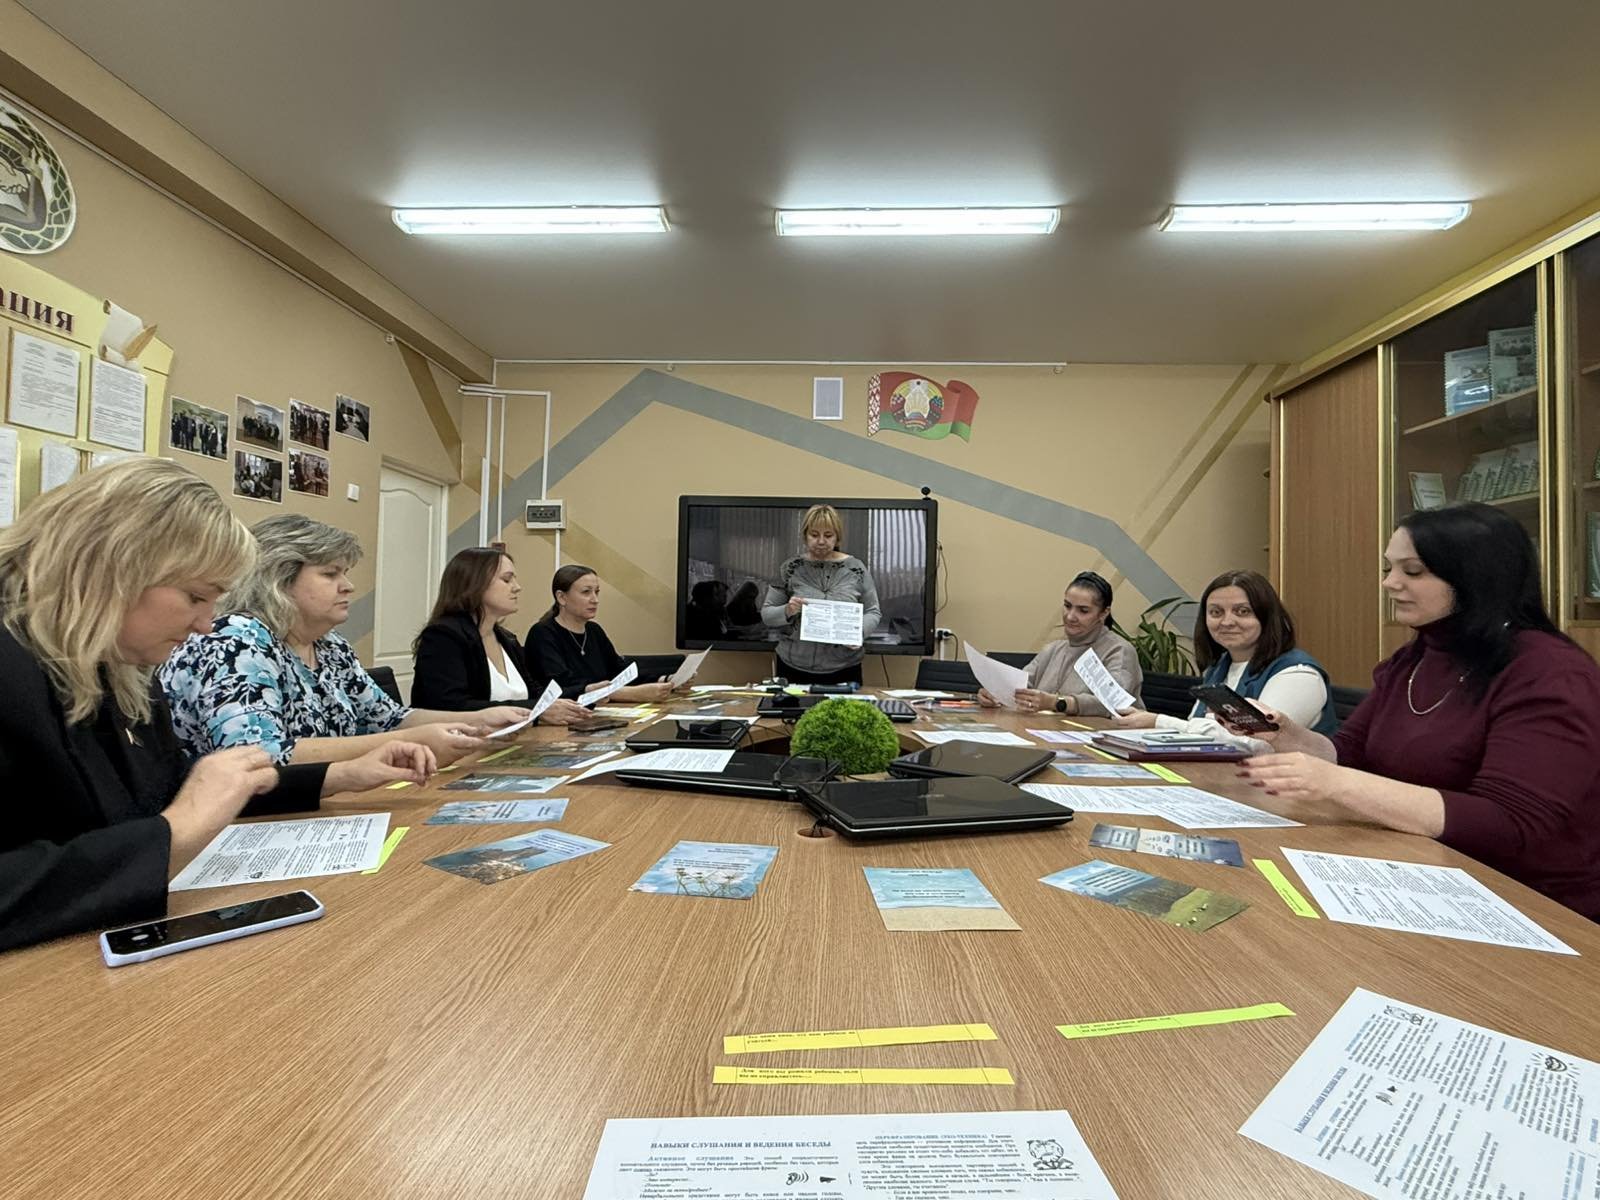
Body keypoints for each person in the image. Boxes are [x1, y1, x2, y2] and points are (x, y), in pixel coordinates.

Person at [0, 460, 434, 953]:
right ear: (114, 567)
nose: (206, 624)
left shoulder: (119, 667)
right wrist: (177, 831)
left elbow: (177, 788)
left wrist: (339, 776)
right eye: (195, 597)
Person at [1237, 504, 1600, 921]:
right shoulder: (1415, 657)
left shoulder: (1549, 672)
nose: (1389, 583)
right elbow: (1349, 754)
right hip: (1426, 871)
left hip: (1534, 905)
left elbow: (1509, 823)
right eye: (1389, 568)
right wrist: (1287, 736)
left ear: (1474, 575)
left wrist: (1334, 783)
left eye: (1412, 571)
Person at [161, 514, 529, 766]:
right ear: (279, 579)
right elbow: (260, 755)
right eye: (330, 574)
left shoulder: (331, 645)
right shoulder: (236, 640)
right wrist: (410, 742)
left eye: (345, 573)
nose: (348, 586)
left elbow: (390, 718)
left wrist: (478, 718)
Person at [1111, 569, 1335, 747]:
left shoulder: (1298, 673)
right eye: (1216, 612)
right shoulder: (1218, 667)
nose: (1227, 622)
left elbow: (1257, 744)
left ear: (1267, 616)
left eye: (1242, 611)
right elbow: (1198, 731)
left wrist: (1158, 722)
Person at [411, 547, 586, 720]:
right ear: (474, 584)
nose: (517, 587)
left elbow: (535, 694)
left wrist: (583, 694)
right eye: (507, 580)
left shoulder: (507, 639)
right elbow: (450, 706)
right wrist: (535, 711)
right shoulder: (443, 637)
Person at [979, 570, 1144, 715]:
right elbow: (1019, 687)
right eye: (1067, 606)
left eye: (1083, 610)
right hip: (1046, 733)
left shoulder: (1119, 651)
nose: (1070, 616)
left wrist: (1057, 703)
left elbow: (1113, 703)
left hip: (1101, 737)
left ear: (1103, 613)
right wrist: (995, 694)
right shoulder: (1053, 649)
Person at [760, 504, 882, 685]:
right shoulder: (790, 568)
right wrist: (788, 610)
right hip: (793, 665)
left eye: (828, 535)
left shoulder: (856, 568)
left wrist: (858, 633)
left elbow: (873, 611)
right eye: (814, 535)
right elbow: (767, 615)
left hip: (844, 667)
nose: (821, 541)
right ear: (805, 536)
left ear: (837, 536)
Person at [526, 564, 676, 702]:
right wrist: (629, 694)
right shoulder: (542, 634)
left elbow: (619, 672)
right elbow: (560, 687)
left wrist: (666, 680)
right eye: (586, 592)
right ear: (562, 597)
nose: (595, 599)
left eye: (596, 592)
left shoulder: (594, 630)